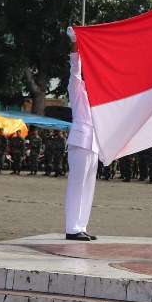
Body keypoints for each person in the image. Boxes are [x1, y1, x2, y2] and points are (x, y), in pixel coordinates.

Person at [64, 26, 99, 241]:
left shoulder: (99, 97)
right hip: (80, 140)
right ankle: (71, 228)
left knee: (88, 187)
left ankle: (81, 226)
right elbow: (75, 69)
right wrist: (76, 43)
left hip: (94, 143)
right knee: (77, 185)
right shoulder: (78, 88)